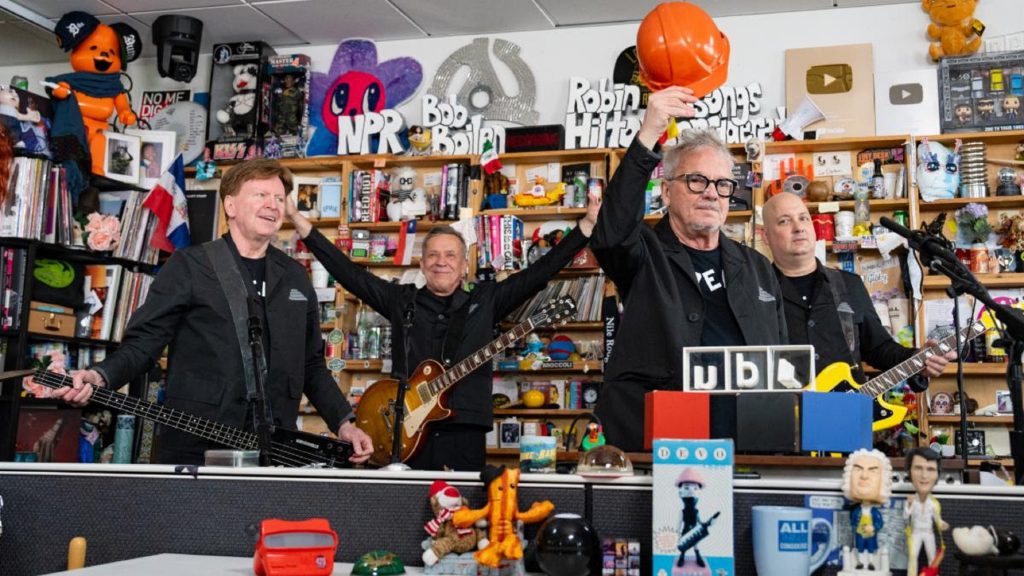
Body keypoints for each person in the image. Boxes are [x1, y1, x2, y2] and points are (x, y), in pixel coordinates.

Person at [55, 159, 373, 466]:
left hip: (275, 450)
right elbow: (144, 343)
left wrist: (344, 423)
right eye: (260, 195)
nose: (273, 205)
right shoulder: (190, 266)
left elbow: (312, 364)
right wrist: (100, 375)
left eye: (279, 198)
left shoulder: (294, 276)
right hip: (197, 447)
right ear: (230, 206)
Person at [287, 190, 601, 471]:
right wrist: (301, 223)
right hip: (402, 433)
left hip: (463, 435)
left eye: (451, 255)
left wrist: (585, 226)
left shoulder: (486, 299)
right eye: (433, 255)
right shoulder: (402, 300)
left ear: (465, 265)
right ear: (422, 265)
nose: (441, 262)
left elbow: (539, 272)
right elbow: (349, 273)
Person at [589, 86, 788, 452]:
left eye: (722, 184)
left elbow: (783, 363)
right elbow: (610, 234)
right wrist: (649, 133)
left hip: (750, 443)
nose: (711, 193)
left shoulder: (756, 267)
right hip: (661, 442)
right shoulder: (643, 252)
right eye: (696, 181)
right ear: (666, 192)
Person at [762, 192, 955, 389]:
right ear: (766, 237)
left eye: (803, 218)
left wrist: (916, 359)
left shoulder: (849, 284)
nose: (799, 227)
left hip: (848, 411)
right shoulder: (754, 291)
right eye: (784, 221)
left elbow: (878, 348)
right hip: (783, 414)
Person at [842, 448, 892, 571]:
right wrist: (855, 527)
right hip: (859, 533)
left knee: (870, 548)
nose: (864, 476)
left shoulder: (874, 512)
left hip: (870, 534)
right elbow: (852, 520)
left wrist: (873, 528)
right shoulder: (856, 511)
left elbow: (879, 522)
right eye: (858, 469)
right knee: (859, 547)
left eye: (872, 471)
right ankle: (859, 562)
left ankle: (870, 562)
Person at [904, 447, 948, 575]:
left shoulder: (934, 503)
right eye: (918, 468)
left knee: (933, 558)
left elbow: (937, 520)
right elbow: (905, 517)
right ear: (909, 472)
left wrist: (942, 524)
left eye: (930, 469)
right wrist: (908, 505)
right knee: (912, 558)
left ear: (937, 475)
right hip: (915, 533)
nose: (924, 476)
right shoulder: (912, 500)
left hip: (929, 533)